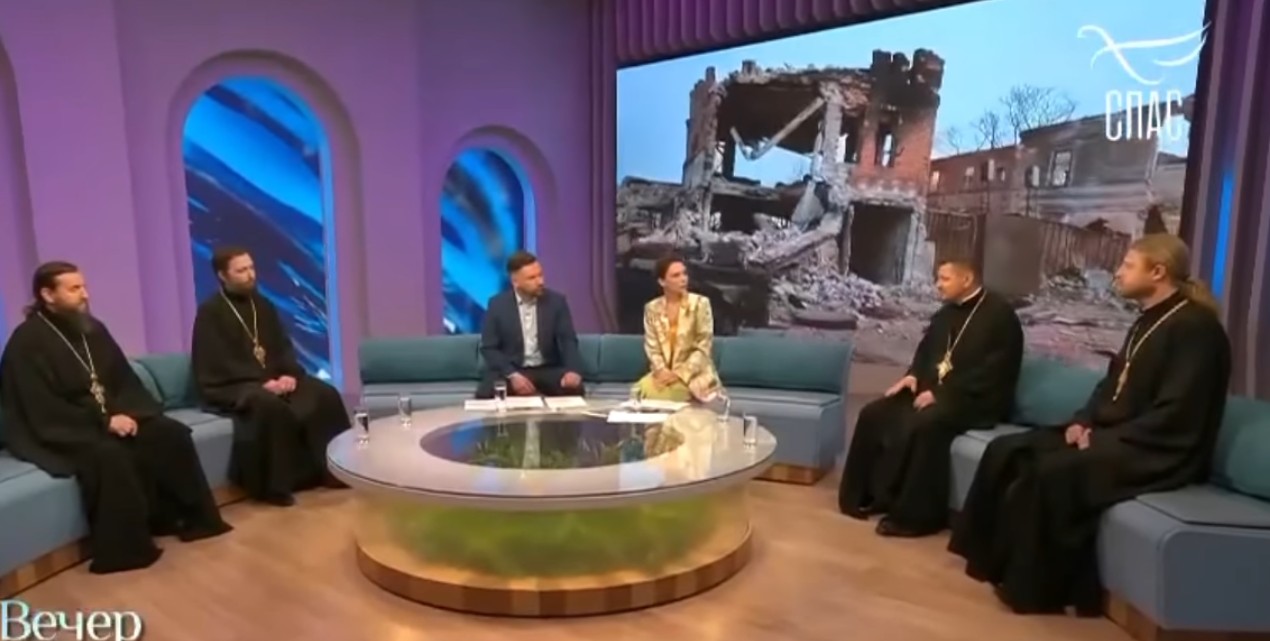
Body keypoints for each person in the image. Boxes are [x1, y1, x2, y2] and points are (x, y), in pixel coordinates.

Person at [948, 234, 1231, 615]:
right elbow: (1109, 386)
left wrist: (1104, 438)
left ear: (1158, 272)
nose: (1118, 273)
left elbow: (1178, 411)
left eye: (1128, 265)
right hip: (1113, 435)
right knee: (1008, 450)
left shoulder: (1197, 329)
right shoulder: (1148, 320)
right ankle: (990, 561)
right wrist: (1083, 421)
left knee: (1052, 472)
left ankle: (1038, 590)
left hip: (1159, 450)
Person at [0, 261, 232, 574]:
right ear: (47, 294)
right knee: (110, 454)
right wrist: (104, 422)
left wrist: (128, 413)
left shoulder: (91, 329)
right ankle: (127, 551)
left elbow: (122, 380)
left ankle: (187, 520)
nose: (85, 294)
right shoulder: (25, 343)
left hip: (111, 414)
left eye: (83, 286)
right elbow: (39, 406)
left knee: (169, 434)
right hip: (63, 427)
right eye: (74, 289)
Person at [838, 259, 1023, 537]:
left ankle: (912, 517)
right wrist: (913, 375)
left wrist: (942, 394)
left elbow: (996, 371)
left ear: (967, 279)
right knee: (874, 413)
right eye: (938, 278)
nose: (938, 285)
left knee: (924, 425)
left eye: (945, 279)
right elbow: (926, 352)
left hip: (975, 400)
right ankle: (866, 497)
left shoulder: (1000, 317)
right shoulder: (945, 314)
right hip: (931, 391)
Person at [190, 246, 349, 507]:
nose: (250, 275)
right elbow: (217, 362)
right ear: (222, 275)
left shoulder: (263, 306)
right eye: (241, 270)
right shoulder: (210, 313)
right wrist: (262, 383)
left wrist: (288, 375)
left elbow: (282, 347)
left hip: (274, 378)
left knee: (325, 394)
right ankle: (276, 486)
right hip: (233, 385)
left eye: (251, 268)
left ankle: (334, 470)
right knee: (268, 405)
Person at [477, 251, 585, 398]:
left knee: (574, 389)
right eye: (532, 278)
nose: (540, 282)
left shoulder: (556, 302)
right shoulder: (497, 305)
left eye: (540, 275)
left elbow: (568, 341)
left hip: (546, 369)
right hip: (513, 369)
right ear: (515, 282)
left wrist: (573, 370)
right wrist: (512, 374)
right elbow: (489, 348)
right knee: (485, 393)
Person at [633, 255, 719, 402]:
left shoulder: (700, 304)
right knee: (639, 392)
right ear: (662, 281)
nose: (683, 279)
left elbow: (703, 346)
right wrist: (662, 371)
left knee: (670, 395)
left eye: (684, 273)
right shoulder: (652, 308)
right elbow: (652, 348)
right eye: (676, 275)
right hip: (664, 374)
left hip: (694, 373)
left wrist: (679, 374)